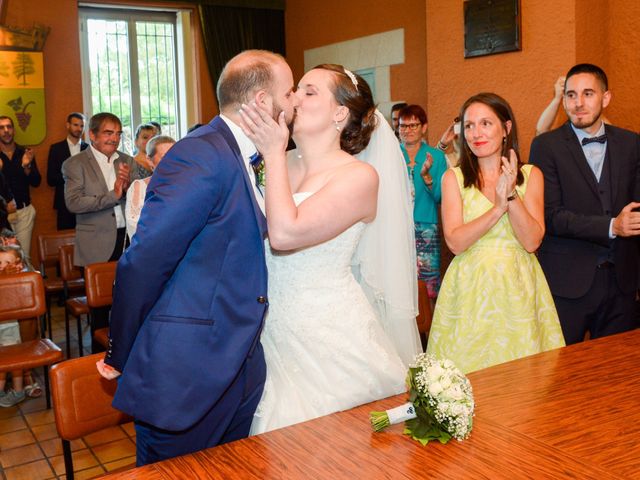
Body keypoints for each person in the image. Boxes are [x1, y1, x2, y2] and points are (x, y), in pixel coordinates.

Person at [98, 50, 297, 466]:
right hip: (186, 374)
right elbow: (144, 261)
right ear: (262, 101)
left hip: (239, 365)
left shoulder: (252, 156)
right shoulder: (200, 154)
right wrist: (121, 350)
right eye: (289, 92)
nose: (293, 103)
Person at [238, 64, 420, 434]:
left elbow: (285, 234)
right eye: (295, 91)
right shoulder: (275, 162)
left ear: (340, 113)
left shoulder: (359, 177)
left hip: (325, 331)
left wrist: (272, 154)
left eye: (309, 91)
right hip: (263, 326)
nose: (294, 99)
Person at [427, 92, 565, 374]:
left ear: (506, 128)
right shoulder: (453, 178)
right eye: (469, 125)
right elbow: (455, 241)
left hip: (518, 287)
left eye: (486, 124)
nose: (476, 133)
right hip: (469, 289)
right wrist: (496, 209)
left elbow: (531, 241)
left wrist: (511, 195)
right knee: (466, 376)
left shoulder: (531, 174)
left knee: (524, 379)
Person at [530, 63, 640, 345]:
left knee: (618, 374)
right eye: (571, 95)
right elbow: (551, 215)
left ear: (605, 98)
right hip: (568, 283)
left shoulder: (631, 143)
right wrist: (613, 225)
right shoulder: (545, 147)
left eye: (588, 94)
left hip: (623, 284)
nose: (578, 103)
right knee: (561, 375)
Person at [398, 105, 447, 338]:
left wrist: (426, 175)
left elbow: (440, 196)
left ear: (424, 127)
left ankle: (430, 340)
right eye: (402, 125)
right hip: (396, 229)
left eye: (413, 125)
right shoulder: (391, 153)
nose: (407, 130)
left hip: (425, 227)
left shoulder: (436, 157)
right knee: (399, 284)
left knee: (427, 288)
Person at [62, 112, 134, 268]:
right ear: (92, 135)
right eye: (108, 133)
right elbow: (74, 203)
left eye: (118, 134)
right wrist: (113, 195)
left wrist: (128, 190)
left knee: (131, 292)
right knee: (101, 293)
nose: (114, 139)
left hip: (128, 241)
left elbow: (141, 199)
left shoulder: (127, 160)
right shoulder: (75, 164)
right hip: (96, 245)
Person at [0, 116, 41, 261]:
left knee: (23, 257)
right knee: (5, 259)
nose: (6, 131)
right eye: (1, 128)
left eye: (9, 127)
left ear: (14, 130)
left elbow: (37, 182)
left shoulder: (25, 152)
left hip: (24, 213)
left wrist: (26, 166)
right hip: (2, 216)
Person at [125, 135, 175, 239]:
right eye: (164, 157)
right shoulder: (139, 187)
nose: (171, 161)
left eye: (174, 156)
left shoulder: (187, 184)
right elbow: (135, 226)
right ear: (149, 160)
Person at [47, 112, 88, 230]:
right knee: (65, 241)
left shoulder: (89, 149)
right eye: (76, 125)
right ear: (67, 125)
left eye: (82, 126)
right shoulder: (56, 149)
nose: (79, 129)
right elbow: (51, 179)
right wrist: (73, 176)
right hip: (64, 203)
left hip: (86, 203)